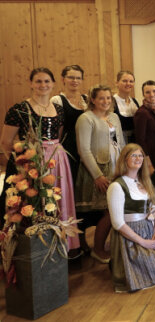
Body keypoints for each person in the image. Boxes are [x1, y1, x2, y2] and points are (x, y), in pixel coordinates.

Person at [0, 67, 80, 253]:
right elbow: (6, 142)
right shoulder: (19, 109)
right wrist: (24, 162)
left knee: (56, 198)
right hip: (32, 162)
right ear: (31, 83)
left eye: (46, 81)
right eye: (38, 81)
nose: (43, 85)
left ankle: (61, 244)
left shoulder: (59, 110)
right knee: (33, 202)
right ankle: (34, 248)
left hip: (56, 159)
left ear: (53, 84)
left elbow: (57, 137)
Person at [107, 144, 155, 292]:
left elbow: (153, 209)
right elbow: (117, 223)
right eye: (134, 155)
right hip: (131, 235)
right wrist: (143, 242)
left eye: (140, 156)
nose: (138, 159)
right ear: (124, 159)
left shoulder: (143, 181)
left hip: (149, 228)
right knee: (149, 271)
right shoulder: (117, 186)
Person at [76, 85, 126, 262]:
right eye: (101, 98)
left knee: (114, 208)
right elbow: (84, 150)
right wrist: (97, 175)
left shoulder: (113, 117)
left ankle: (110, 245)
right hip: (97, 169)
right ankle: (97, 249)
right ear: (93, 100)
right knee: (108, 210)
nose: (105, 101)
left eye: (108, 98)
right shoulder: (86, 119)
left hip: (115, 167)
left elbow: (119, 143)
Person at [50, 65, 87, 183]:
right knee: (71, 178)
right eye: (71, 77)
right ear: (63, 79)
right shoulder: (57, 100)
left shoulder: (87, 99)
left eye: (78, 78)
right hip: (68, 146)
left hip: (86, 144)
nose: (75, 81)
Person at [134, 80, 155, 170]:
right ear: (143, 94)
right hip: (150, 155)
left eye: (154, 91)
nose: (152, 94)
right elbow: (140, 140)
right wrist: (148, 162)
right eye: (147, 92)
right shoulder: (141, 113)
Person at [112, 71, 139, 143]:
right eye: (124, 81)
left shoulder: (135, 101)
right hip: (119, 141)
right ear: (117, 83)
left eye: (131, 81)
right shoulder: (112, 101)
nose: (128, 84)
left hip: (134, 141)